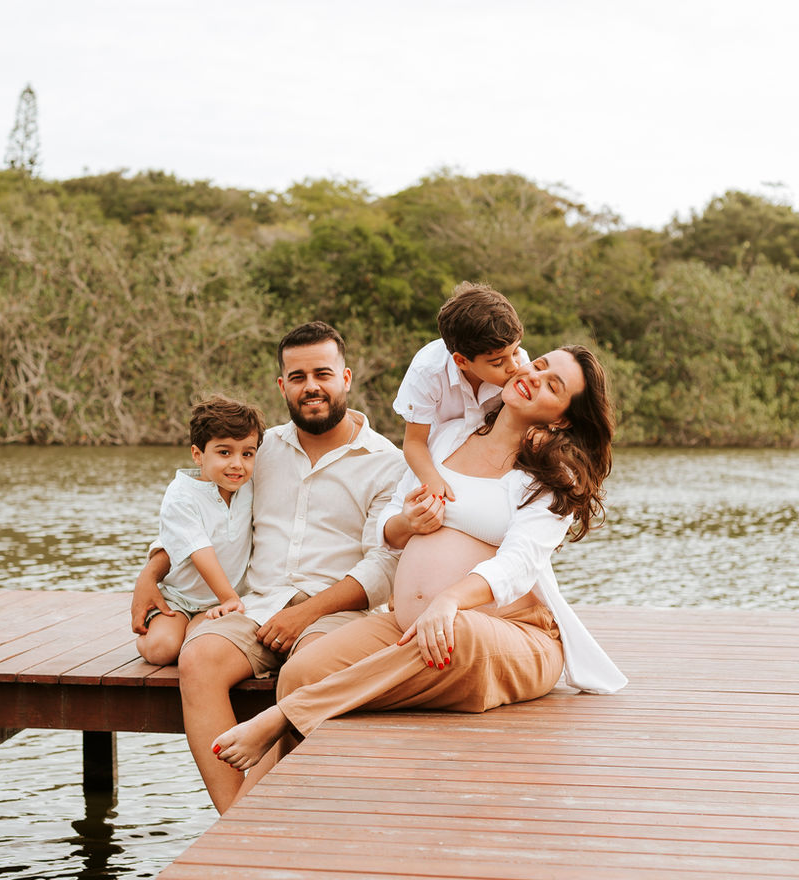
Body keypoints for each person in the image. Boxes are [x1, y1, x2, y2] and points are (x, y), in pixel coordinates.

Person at [212, 346, 628, 796]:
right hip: (408, 625)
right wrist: (406, 524)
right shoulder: (448, 437)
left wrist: (448, 600)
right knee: (301, 673)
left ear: (563, 418)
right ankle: (261, 815)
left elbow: (518, 565)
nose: (535, 377)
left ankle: (281, 718)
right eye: (540, 365)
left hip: (511, 634)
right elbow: (385, 531)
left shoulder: (552, 475)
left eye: (553, 386)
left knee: (460, 633)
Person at [131, 321, 405, 812]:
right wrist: (150, 573)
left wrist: (304, 614)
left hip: (337, 614)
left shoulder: (388, 462)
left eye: (322, 373)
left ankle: (243, 826)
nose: (311, 387)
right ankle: (235, 819)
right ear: (283, 385)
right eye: (297, 377)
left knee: (306, 674)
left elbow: (383, 568)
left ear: (346, 377)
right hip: (256, 605)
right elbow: (201, 512)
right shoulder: (260, 448)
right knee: (198, 659)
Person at [135, 396, 266, 667]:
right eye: (224, 452)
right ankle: (151, 632)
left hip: (226, 601)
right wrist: (228, 598)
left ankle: (193, 630)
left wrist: (230, 599)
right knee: (162, 649)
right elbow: (200, 551)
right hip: (181, 598)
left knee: (201, 647)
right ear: (198, 455)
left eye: (247, 453)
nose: (237, 464)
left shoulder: (248, 488)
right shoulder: (181, 495)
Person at [395, 281, 528, 502]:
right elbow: (414, 442)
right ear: (462, 361)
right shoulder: (427, 371)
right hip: (441, 457)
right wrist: (432, 479)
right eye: (497, 363)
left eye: (515, 351)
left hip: (498, 459)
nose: (514, 366)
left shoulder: (519, 364)